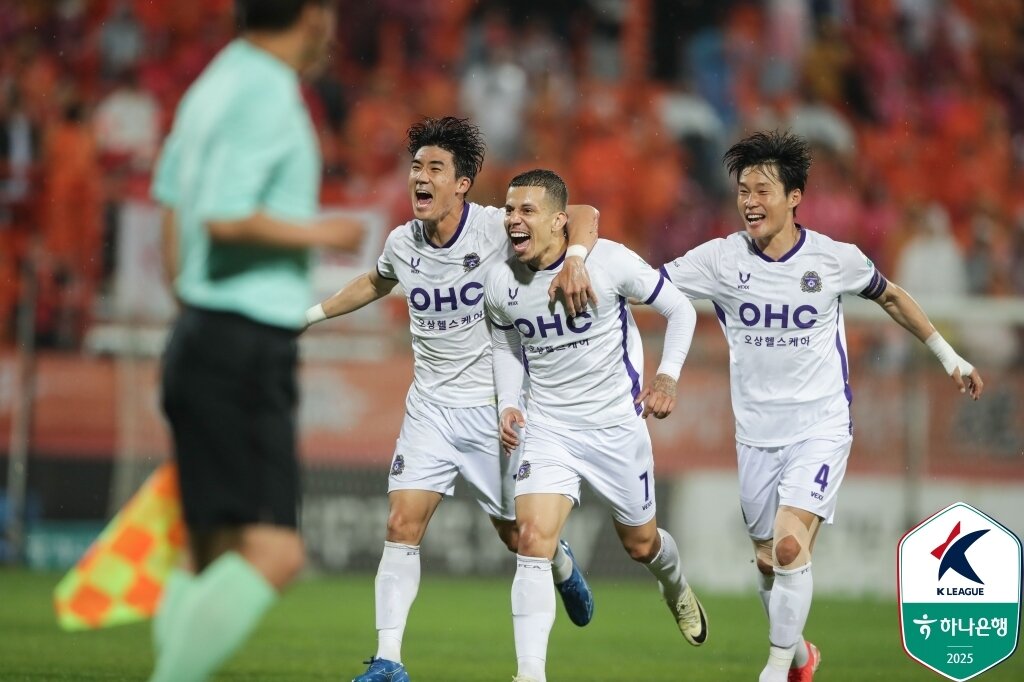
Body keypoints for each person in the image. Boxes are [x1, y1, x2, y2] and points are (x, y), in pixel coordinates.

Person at [660, 131, 984, 682]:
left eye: (762, 189)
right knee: (768, 559)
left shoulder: (834, 259)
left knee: (789, 545)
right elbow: (649, 286)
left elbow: (891, 296)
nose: (750, 201)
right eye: (742, 190)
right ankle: (803, 657)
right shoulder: (718, 260)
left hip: (821, 425)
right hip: (756, 435)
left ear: (794, 197)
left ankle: (777, 668)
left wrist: (947, 355)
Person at [306, 117, 600, 682]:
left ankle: (561, 563)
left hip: (496, 410)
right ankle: (388, 661)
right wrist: (312, 316)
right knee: (400, 523)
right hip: (431, 409)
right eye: (416, 167)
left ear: (462, 183)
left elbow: (582, 215)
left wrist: (579, 258)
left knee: (519, 535)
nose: (420, 177)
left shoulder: (496, 228)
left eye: (434, 169)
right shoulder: (401, 242)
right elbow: (375, 281)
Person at [148, 2, 363, 680]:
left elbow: (174, 204)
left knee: (207, 553)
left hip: (203, 334)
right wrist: (326, 234)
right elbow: (225, 217)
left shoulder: (212, 85)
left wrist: (193, 305)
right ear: (309, 16)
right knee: (275, 553)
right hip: (243, 343)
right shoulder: (267, 94)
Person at [484, 169, 708, 682]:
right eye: (509, 211)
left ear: (561, 221)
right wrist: (508, 403)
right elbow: (506, 342)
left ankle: (673, 585)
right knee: (533, 537)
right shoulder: (500, 281)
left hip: (615, 428)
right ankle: (530, 674)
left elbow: (680, 310)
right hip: (549, 427)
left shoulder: (608, 261)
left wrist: (668, 378)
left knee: (641, 546)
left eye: (527, 211)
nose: (513, 220)